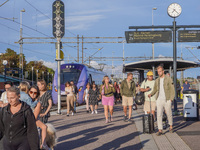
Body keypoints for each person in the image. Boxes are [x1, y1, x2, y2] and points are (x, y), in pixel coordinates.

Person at [148, 65, 175, 136]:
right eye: (158, 72)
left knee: (168, 113)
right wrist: (151, 94)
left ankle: (171, 126)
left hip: (167, 99)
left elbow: (172, 89)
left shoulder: (168, 79)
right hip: (159, 99)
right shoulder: (157, 80)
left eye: (160, 71)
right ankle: (160, 129)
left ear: (163, 71)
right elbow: (155, 89)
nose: (159, 73)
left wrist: (171, 98)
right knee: (159, 114)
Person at [29, 85, 49, 150]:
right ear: (28, 92)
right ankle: (44, 144)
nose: (32, 94)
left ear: (37, 94)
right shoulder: (25, 101)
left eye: (35, 93)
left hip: (33, 124)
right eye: (31, 92)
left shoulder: (38, 103)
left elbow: (34, 117)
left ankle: (43, 144)